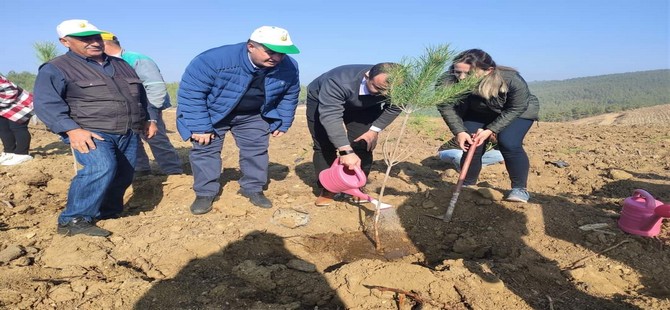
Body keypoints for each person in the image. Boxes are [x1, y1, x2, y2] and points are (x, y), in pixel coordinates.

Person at [33, 19, 158, 237]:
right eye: (84, 39)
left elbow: (139, 95)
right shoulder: (56, 68)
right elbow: (46, 103)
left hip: (127, 130)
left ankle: (107, 212)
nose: (93, 42)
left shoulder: (120, 64)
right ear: (65, 42)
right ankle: (73, 220)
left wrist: (149, 118)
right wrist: (71, 130)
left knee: (124, 173)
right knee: (100, 168)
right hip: (90, 131)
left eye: (96, 37)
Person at [177, 26, 300, 214]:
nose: (277, 57)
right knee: (205, 150)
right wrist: (200, 126)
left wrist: (283, 120)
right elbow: (191, 94)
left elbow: (290, 94)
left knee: (256, 149)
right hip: (213, 112)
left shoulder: (288, 66)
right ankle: (205, 192)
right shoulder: (212, 60)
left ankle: (252, 188)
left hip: (252, 114)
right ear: (251, 46)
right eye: (271, 52)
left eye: (282, 53)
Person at [438, 49, 539, 203]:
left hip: (517, 112)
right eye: (457, 72)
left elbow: (516, 108)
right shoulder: (447, 80)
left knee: (509, 142)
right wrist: (459, 131)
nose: (462, 78)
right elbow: (446, 106)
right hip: (478, 111)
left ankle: (519, 189)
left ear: (488, 71)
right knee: (472, 143)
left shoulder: (511, 79)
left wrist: (491, 130)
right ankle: (467, 184)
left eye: (469, 74)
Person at [306, 63, 401, 206]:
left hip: (366, 107)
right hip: (323, 100)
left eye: (390, 91)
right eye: (379, 88)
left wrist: (373, 131)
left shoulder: (403, 84)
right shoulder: (338, 81)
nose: (385, 94)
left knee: (363, 143)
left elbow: (395, 107)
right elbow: (330, 116)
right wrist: (345, 150)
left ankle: (355, 186)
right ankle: (328, 189)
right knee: (324, 144)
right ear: (367, 76)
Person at [101, 32, 183, 176]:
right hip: (127, 109)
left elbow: (155, 86)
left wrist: (152, 112)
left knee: (155, 138)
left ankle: (173, 171)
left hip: (147, 107)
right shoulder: (108, 63)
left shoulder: (137, 59)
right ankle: (141, 170)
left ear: (104, 44)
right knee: (132, 139)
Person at [0, 75, 34, 166]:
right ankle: (9, 151)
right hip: (5, 108)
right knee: (3, 129)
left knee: (18, 128)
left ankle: (22, 153)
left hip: (20, 105)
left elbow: (11, 91)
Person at [437, 138, 504, 171]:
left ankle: (476, 165)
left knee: (501, 154)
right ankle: (462, 170)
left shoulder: (496, 140)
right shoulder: (476, 132)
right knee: (459, 155)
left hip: (472, 155)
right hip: (449, 151)